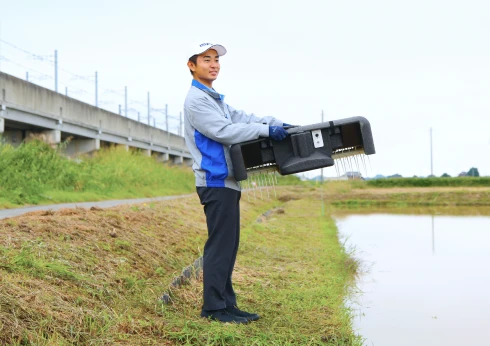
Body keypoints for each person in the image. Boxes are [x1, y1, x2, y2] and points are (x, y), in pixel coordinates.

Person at [183, 42, 290, 324]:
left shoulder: (215, 99)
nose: (214, 64)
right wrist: (266, 131)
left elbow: (244, 118)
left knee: (229, 246)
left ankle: (227, 304)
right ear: (191, 66)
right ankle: (214, 309)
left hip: (227, 182)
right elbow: (225, 132)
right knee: (220, 246)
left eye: (216, 59)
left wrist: (277, 123)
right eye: (206, 59)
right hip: (215, 181)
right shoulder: (196, 101)